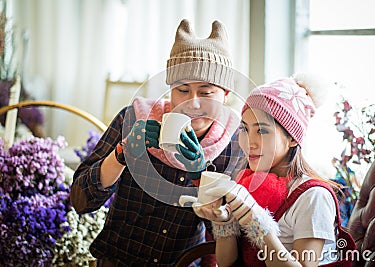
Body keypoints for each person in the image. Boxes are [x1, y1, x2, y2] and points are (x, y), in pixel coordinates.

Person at [70, 19, 245, 266]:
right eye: (182, 90)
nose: (192, 103)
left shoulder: (235, 144)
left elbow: (230, 235)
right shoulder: (132, 119)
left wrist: (200, 177)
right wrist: (122, 154)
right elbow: (80, 201)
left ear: (225, 95)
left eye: (206, 92)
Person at [193, 74, 345, 266]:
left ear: (292, 138)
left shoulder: (313, 196)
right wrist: (225, 224)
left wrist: (256, 221)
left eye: (262, 130)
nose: (249, 143)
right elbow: (226, 263)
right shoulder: (247, 183)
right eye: (245, 129)